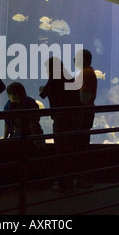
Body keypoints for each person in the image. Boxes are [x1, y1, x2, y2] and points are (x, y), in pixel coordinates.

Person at [39, 57, 82, 191]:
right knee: (68, 149)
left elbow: (43, 93)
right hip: (72, 118)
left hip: (61, 118)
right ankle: (69, 180)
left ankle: (64, 183)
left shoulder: (55, 76)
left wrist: (42, 88)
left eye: (47, 68)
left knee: (61, 150)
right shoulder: (68, 75)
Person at [75, 49, 97, 188]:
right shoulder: (88, 72)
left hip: (83, 113)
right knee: (83, 144)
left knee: (81, 145)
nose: (73, 60)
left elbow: (84, 96)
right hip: (86, 112)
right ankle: (84, 178)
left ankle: (84, 178)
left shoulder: (86, 73)